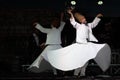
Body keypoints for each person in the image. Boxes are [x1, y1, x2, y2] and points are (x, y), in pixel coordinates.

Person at [47, 9, 111, 77]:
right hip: (80, 46)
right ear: (80, 20)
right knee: (80, 60)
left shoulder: (88, 25)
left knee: (86, 61)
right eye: (83, 19)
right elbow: (73, 21)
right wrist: (71, 14)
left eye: (84, 18)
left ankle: (83, 74)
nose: (85, 19)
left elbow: (94, 23)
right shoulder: (78, 26)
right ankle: (76, 74)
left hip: (86, 45)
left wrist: (97, 17)